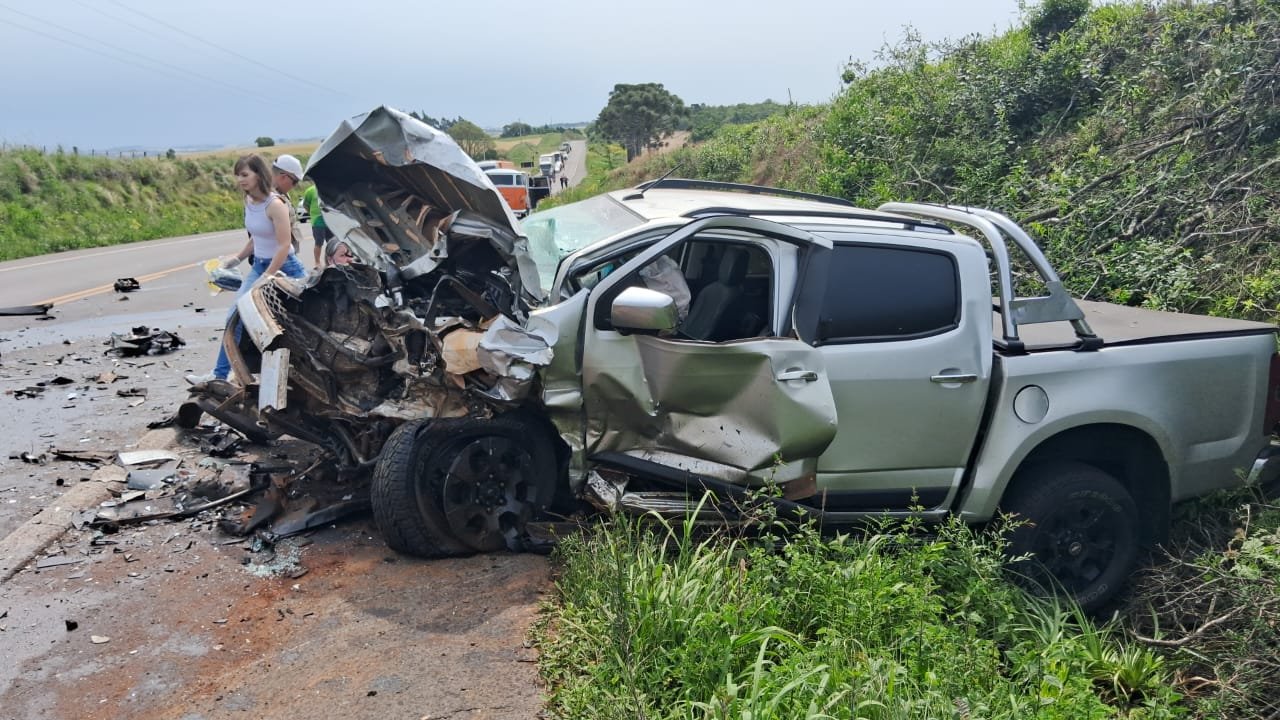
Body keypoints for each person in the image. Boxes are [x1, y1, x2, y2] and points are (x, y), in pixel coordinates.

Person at [186, 154, 306, 385]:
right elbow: (257, 237)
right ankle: (219, 376)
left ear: (259, 175)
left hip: (286, 267)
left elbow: (283, 245)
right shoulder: (249, 202)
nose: (240, 180)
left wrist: (269, 275)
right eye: (237, 175)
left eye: (244, 174)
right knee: (235, 317)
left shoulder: (276, 205)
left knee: (308, 314)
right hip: (260, 265)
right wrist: (237, 258)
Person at [301, 182, 333, 267]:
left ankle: (330, 261)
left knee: (332, 242)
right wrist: (312, 214)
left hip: (330, 221)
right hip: (318, 220)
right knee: (319, 242)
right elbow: (306, 205)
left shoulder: (330, 189)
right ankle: (317, 262)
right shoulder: (310, 190)